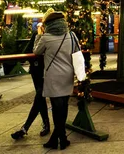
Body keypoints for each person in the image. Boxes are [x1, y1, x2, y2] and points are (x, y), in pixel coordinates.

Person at [33, 10, 77, 150]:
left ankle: (57, 139)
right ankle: (61, 138)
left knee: (57, 109)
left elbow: (36, 51)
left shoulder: (46, 37)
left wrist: (39, 35)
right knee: (63, 107)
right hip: (68, 75)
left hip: (53, 76)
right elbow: (77, 52)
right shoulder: (71, 35)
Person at [11, 22, 51, 140]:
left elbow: (34, 51)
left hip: (42, 71)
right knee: (40, 98)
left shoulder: (47, 36)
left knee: (39, 97)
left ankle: (26, 127)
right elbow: (29, 51)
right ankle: (45, 124)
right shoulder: (38, 35)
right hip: (38, 70)